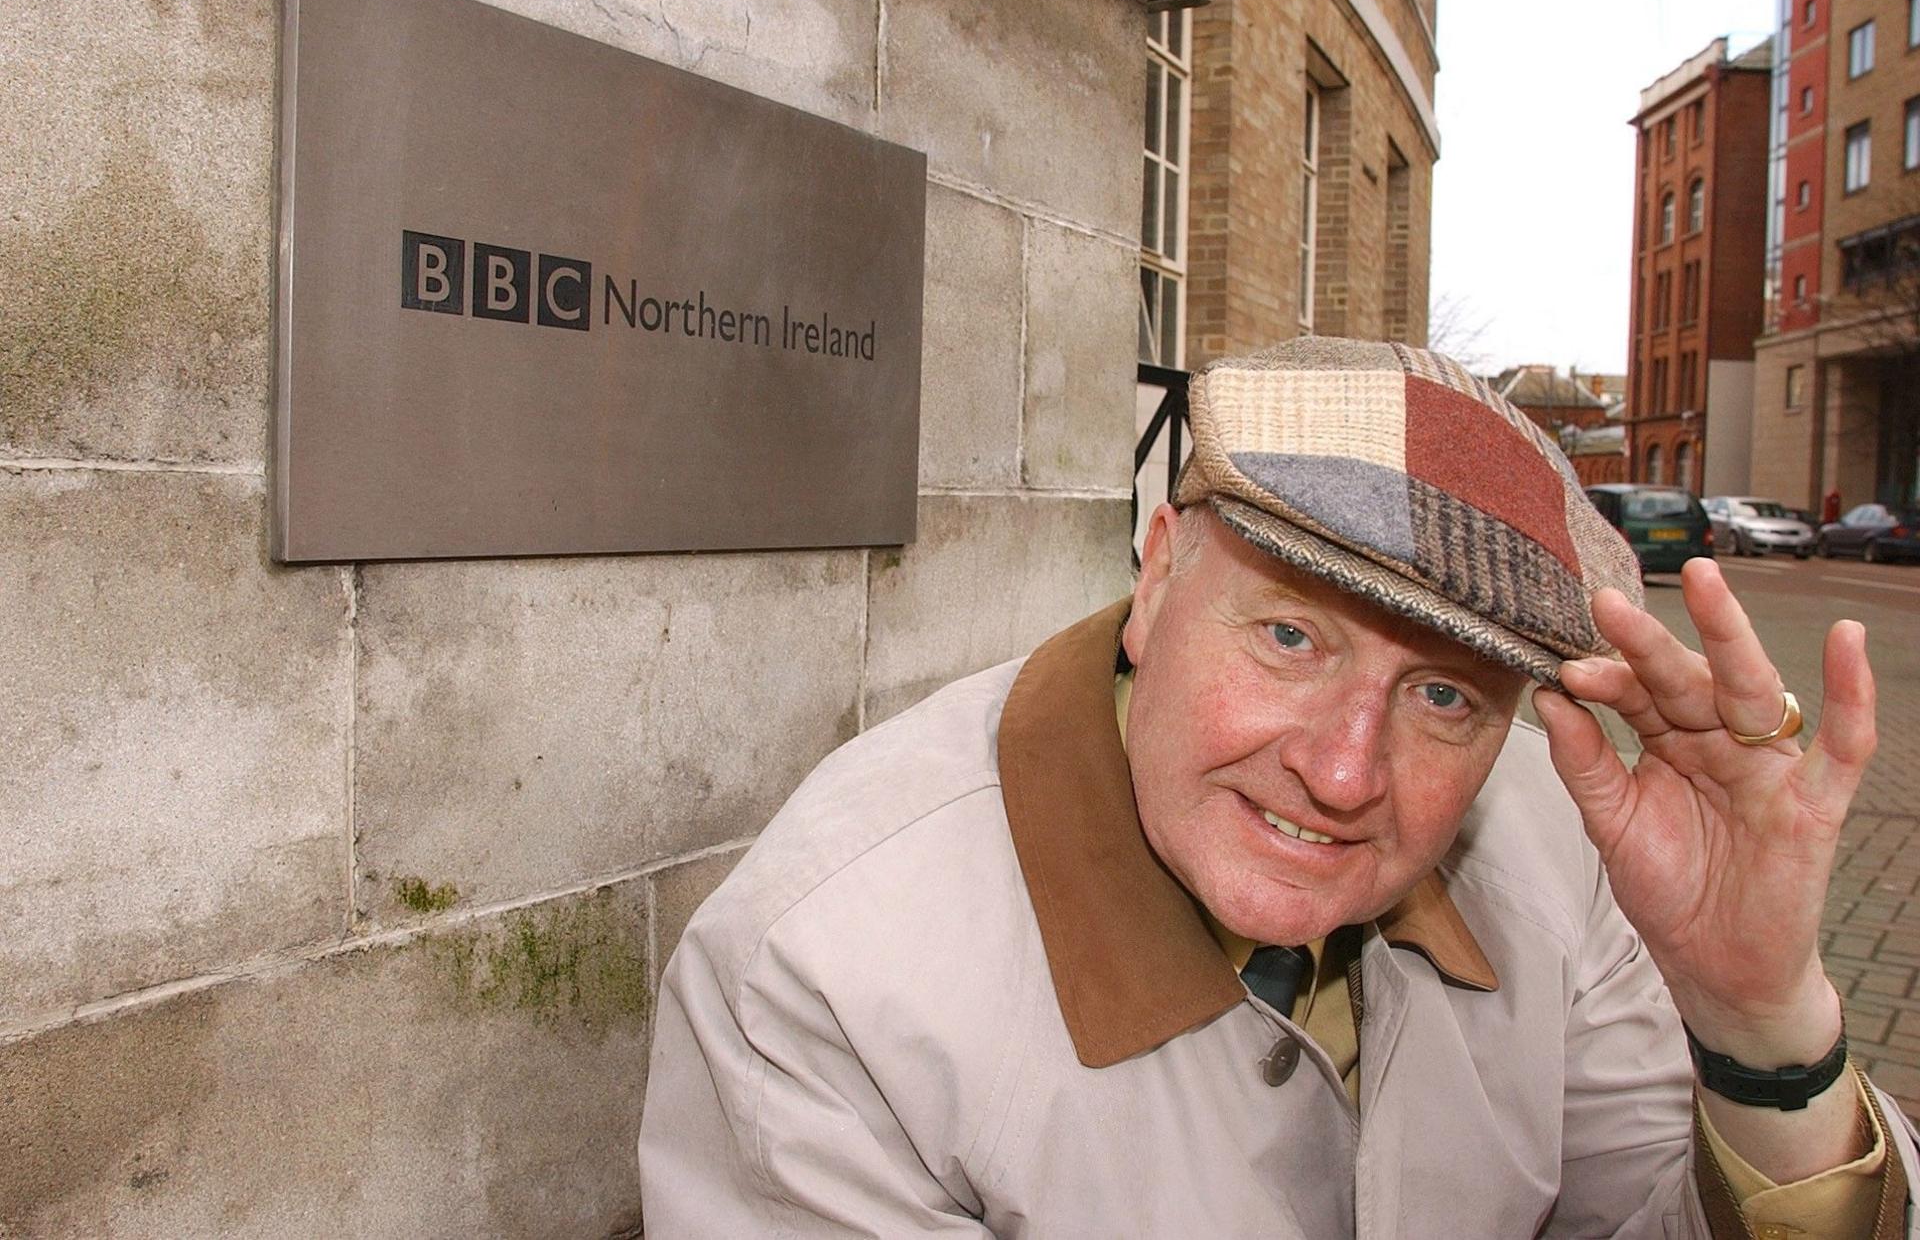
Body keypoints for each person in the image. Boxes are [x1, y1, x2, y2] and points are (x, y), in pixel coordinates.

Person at [638, 337, 1918, 1236]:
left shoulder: (1549, 835)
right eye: (1292, 638)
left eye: (1446, 696)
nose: (1344, 769)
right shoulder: (821, 980)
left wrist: (1760, 1033)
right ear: (1156, 583)